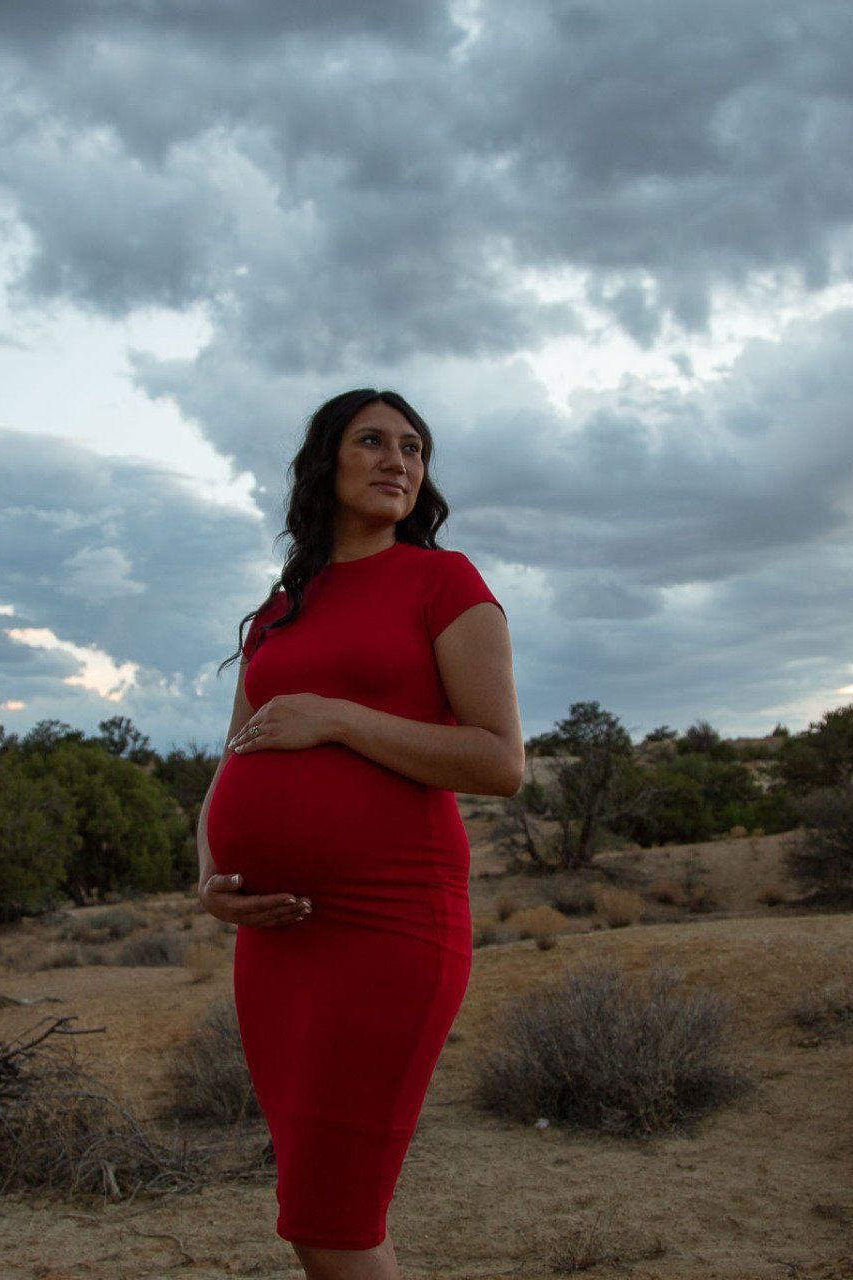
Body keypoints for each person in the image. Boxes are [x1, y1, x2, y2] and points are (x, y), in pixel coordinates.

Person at [195, 388, 525, 1279]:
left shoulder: (442, 582)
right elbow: (234, 758)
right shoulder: (282, 609)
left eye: (414, 448)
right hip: (277, 941)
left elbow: (500, 761)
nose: (398, 461)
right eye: (372, 441)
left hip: (390, 923)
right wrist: (210, 874)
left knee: (336, 1220)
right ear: (325, 464)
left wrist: (339, 719)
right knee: (309, 1214)